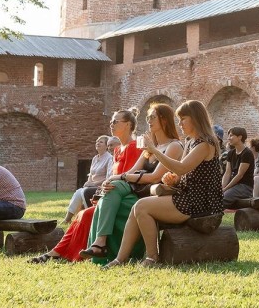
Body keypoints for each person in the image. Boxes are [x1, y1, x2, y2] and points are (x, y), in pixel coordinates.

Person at [36, 104, 183, 265]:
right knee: (89, 209)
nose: (148, 121)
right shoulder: (146, 149)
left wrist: (120, 178)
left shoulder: (170, 146)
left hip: (152, 193)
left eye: (152, 117)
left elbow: (154, 177)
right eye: (148, 118)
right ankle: (79, 249)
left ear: (164, 120)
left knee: (98, 202)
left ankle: (100, 245)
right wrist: (113, 180)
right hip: (133, 190)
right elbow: (132, 171)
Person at [105, 100, 223, 267]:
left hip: (201, 203)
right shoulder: (191, 141)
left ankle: (152, 258)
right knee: (137, 207)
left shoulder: (205, 143)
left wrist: (153, 150)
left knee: (141, 207)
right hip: (189, 197)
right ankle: (120, 259)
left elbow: (182, 168)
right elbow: (183, 173)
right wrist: (173, 178)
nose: (180, 123)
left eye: (183, 118)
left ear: (195, 119)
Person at [63, 135, 113, 225]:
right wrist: (88, 182)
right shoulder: (95, 158)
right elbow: (91, 174)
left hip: (100, 186)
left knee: (81, 192)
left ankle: (70, 219)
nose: (97, 143)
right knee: (79, 192)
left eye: (101, 142)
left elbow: (108, 177)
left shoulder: (109, 158)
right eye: (97, 141)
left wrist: (93, 184)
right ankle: (73, 219)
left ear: (106, 146)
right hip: (91, 185)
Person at [222, 127, 255, 208]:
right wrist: (222, 188)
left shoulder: (247, 153)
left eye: (231, 135)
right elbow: (227, 173)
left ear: (240, 137)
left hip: (245, 187)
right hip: (233, 185)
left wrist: (225, 189)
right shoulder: (230, 153)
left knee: (221, 199)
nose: (228, 138)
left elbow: (240, 175)